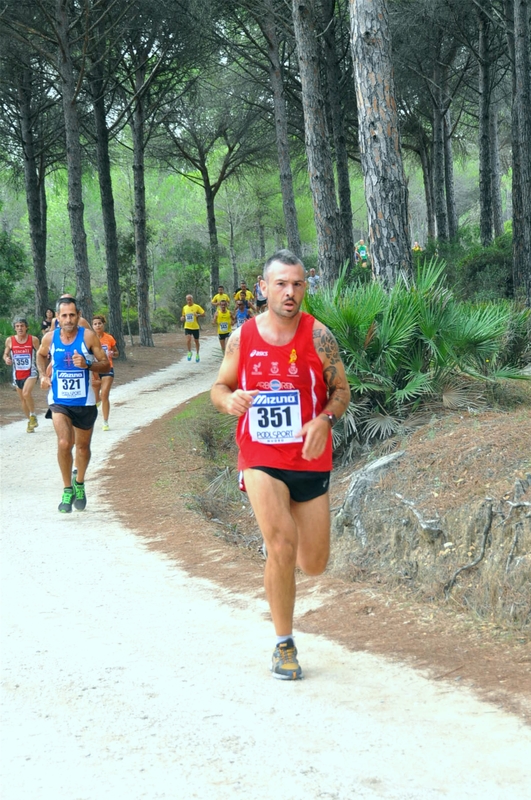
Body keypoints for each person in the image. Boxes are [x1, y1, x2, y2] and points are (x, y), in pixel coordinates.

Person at [211, 250, 350, 680]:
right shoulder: (242, 337)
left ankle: (277, 564)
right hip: (260, 454)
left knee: (314, 562)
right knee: (282, 544)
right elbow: (219, 386)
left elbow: (341, 392)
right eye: (281, 284)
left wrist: (324, 420)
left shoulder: (319, 335)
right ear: (263, 286)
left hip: (308, 458)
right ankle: (283, 643)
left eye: (297, 284)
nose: (290, 293)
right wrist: (228, 399)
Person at [37, 297, 110, 513]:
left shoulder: (87, 336)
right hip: (59, 400)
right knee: (64, 442)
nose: (68, 319)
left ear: (78, 315)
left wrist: (87, 364)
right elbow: (41, 356)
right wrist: (42, 375)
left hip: (85, 401)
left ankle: (79, 482)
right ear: (57, 318)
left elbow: (105, 365)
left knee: (83, 447)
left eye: (72, 315)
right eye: (64, 315)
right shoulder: (50, 338)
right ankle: (67, 488)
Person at [2, 318, 40, 433]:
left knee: (26, 393)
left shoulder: (33, 340)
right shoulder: (10, 340)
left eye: (22, 326)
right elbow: (5, 353)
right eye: (17, 326)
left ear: (26, 327)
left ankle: (33, 415)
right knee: (23, 400)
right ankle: (30, 421)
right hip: (17, 374)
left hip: (31, 372)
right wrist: (6, 359)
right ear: (14, 328)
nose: (20, 328)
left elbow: (40, 353)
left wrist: (43, 369)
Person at [91, 314, 119, 431]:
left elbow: (117, 353)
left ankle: (105, 421)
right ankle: (97, 401)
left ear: (103, 324)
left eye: (99, 323)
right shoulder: (90, 339)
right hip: (95, 369)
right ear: (92, 326)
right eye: (95, 324)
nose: (97, 326)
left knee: (105, 394)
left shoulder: (109, 338)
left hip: (108, 368)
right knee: (96, 396)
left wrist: (113, 354)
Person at [181, 294, 205, 362]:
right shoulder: (184, 307)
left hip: (195, 327)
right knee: (188, 340)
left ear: (192, 300)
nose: (189, 301)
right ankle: (189, 352)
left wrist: (198, 315)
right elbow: (183, 315)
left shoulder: (196, 306)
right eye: (187, 300)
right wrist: (182, 318)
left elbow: (203, 314)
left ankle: (197, 354)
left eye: (190, 300)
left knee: (196, 341)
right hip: (187, 326)